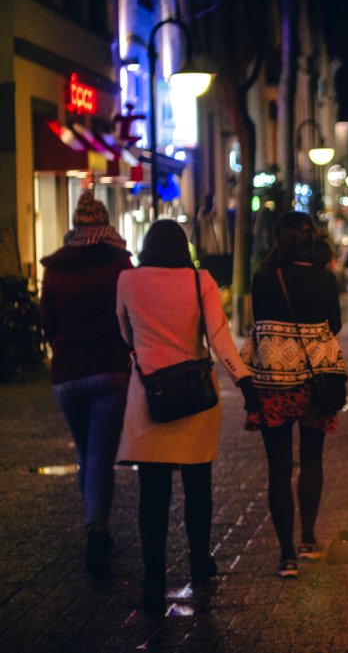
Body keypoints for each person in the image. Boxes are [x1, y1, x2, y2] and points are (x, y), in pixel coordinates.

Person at [115, 220, 261, 614]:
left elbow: (125, 335)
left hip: (150, 397)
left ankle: (154, 577)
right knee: (199, 485)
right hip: (196, 395)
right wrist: (244, 380)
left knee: (153, 494)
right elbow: (218, 337)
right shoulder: (201, 281)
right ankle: (199, 562)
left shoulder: (128, 280)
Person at [243, 211, 344, 578]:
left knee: (279, 468)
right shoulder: (323, 279)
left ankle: (286, 556)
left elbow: (256, 323)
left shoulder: (263, 278)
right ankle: (309, 538)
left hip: (272, 381)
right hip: (317, 379)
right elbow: (335, 325)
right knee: (312, 459)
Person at [39, 190, 133, 579]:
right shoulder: (119, 263)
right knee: (99, 456)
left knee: (85, 452)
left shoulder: (56, 267)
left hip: (68, 373)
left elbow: (48, 322)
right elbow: (129, 314)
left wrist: (62, 345)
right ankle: (96, 529)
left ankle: (95, 522)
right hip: (110, 370)